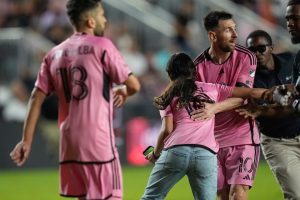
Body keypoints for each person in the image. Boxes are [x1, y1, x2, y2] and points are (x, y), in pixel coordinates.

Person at [9, 0, 140, 200]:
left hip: (69, 143)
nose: (105, 20)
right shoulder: (102, 46)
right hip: (98, 140)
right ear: (90, 21)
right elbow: (134, 85)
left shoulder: (53, 54)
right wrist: (124, 91)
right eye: (102, 15)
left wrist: (26, 141)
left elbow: (36, 97)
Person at [141, 52, 269, 200]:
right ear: (193, 71)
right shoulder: (211, 88)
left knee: (151, 197)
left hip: (176, 151)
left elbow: (167, 129)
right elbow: (249, 93)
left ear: (170, 74)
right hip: (206, 155)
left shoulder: (168, 95)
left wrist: (156, 154)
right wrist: (272, 92)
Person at [192, 11, 259, 200]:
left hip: (242, 137)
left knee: (237, 195)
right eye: (229, 30)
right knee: (222, 196)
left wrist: (213, 108)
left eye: (235, 29)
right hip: (212, 142)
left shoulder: (247, 57)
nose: (236, 35)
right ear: (213, 36)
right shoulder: (197, 67)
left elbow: (241, 97)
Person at [245, 30, 300, 200]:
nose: (257, 54)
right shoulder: (247, 80)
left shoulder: (291, 60)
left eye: (261, 49)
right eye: (251, 51)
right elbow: (269, 111)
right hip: (278, 141)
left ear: (271, 48)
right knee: (297, 194)